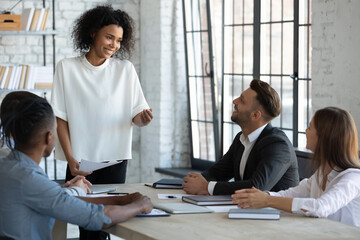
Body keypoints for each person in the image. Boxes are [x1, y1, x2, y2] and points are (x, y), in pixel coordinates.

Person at [51, 5, 153, 239]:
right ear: (93, 32)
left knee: (108, 225)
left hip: (114, 160)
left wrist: (143, 119)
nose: (114, 45)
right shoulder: (67, 68)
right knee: (86, 226)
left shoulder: (125, 70)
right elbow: (60, 118)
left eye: (118, 40)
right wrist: (70, 158)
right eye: (109, 37)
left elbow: (136, 115)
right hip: (80, 162)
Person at [0, 96, 153, 240]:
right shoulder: (30, 179)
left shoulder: (7, 166)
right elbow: (98, 218)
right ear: (49, 137)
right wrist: (139, 205)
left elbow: (44, 195)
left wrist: (123, 200)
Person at [232, 107, 360, 227]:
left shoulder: (352, 178)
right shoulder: (321, 173)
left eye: (310, 127)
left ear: (323, 138)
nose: (306, 131)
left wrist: (267, 200)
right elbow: (291, 194)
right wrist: (258, 196)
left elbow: (320, 207)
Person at [183, 79, 299, 195]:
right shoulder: (241, 138)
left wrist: (206, 187)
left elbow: (256, 187)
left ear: (255, 115)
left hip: (278, 212)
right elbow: (218, 172)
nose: (235, 101)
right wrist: (196, 180)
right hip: (248, 210)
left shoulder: (278, 145)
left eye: (242, 100)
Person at [0, 91, 92, 196]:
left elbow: (32, 191)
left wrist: (61, 187)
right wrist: (77, 190)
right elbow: (41, 196)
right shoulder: (10, 160)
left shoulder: (12, 153)